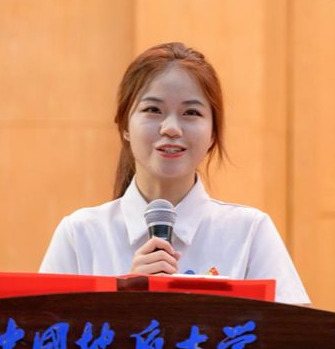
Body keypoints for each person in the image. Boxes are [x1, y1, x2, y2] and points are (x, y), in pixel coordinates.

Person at [39, 42, 310, 305]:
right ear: (124, 126)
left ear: (213, 133)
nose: (171, 128)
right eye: (153, 110)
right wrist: (123, 301)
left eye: (191, 112)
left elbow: (295, 331)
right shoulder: (80, 233)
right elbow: (43, 330)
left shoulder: (249, 231)